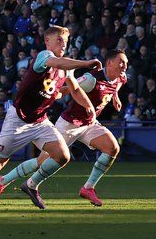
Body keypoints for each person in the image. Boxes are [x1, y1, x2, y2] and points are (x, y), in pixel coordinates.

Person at [0, 24, 100, 211]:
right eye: (59, 40)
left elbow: (75, 89)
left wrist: (89, 106)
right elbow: (58, 64)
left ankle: (31, 185)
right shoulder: (44, 56)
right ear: (48, 41)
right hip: (18, 120)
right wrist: (86, 64)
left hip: (40, 121)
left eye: (66, 41)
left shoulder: (66, 68)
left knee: (62, 156)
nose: (63, 44)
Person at [54, 51, 128, 206]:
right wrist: (48, 95)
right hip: (69, 123)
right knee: (45, 161)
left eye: (126, 62)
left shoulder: (121, 77)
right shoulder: (90, 79)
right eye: (121, 62)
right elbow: (67, 89)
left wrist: (116, 98)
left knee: (112, 148)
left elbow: (116, 86)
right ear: (109, 63)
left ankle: (88, 188)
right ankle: (4, 180)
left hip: (88, 123)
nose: (125, 66)